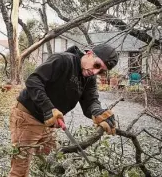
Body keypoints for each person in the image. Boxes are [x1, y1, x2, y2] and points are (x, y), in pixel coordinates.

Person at [9, 44, 119, 177]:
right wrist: (48, 108)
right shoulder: (63, 60)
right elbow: (33, 80)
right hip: (27, 118)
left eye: (101, 71)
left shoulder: (89, 78)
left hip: (50, 122)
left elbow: (91, 101)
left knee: (50, 164)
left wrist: (98, 112)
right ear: (89, 53)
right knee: (20, 170)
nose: (95, 72)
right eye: (97, 65)